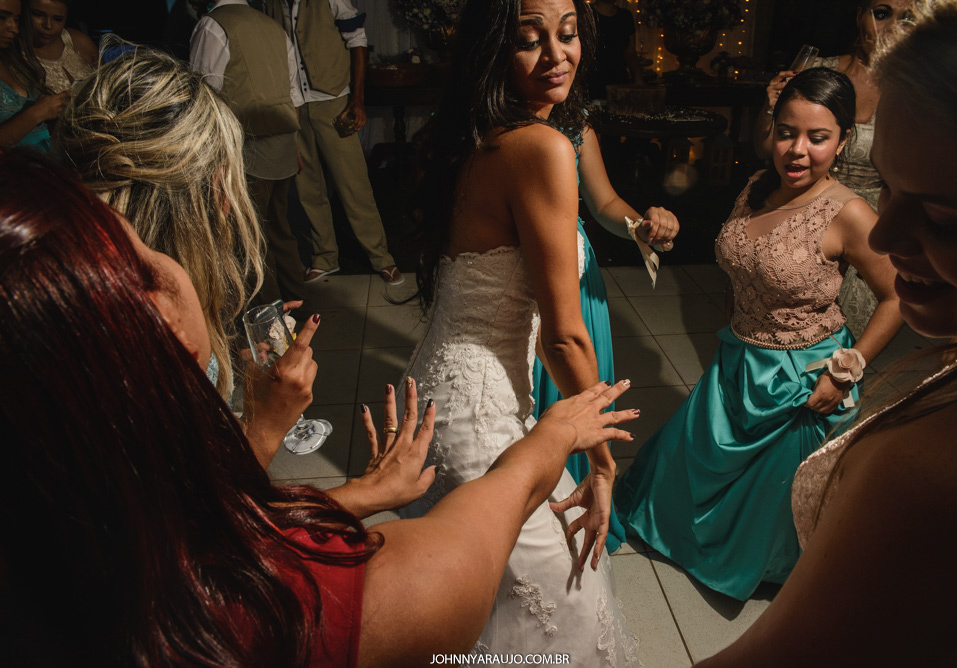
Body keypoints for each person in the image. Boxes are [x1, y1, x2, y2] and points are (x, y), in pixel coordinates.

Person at [0, 148, 639, 666]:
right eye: (141, 267)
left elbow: (216, 524)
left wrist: (347, 489)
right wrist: (547, 441)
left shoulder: (82, 533)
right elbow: (450, 583)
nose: (172, 275)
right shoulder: (257, 607)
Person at [699, 1, 957, 662]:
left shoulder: (943, 461)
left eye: (945, 219)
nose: (886, 235)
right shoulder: (758, 186)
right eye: (889, 187)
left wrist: (848, 364)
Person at [401, 1, 640, 663]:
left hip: (440, 395)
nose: (557, 55)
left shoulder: (481, 133)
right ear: (496, 51)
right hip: (474, 414)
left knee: (487, 600)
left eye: (568, 35)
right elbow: (562, 337)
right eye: (531, 40)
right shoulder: (541, 147)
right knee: (563, 596)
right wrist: (602, 462)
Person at [616, 67, 903, 601]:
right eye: (787, 132)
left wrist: (846, 371)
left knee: (768, 503)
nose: (798, 151)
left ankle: (757, 569)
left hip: (800, 379)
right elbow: (742, 263)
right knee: (691, 468)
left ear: (843, 141)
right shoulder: (755, 186)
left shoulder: (850, 214)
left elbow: (898, 296)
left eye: (818, 137)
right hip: (738, 359)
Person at [53, 46, 311, 467]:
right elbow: (195, 500)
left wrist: (237, 367)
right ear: (211, 190)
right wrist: (267, 424)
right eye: (230, 177)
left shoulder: (65, 275)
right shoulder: (158, 316)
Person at [531, 120, 679, 554]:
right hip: (518, 269)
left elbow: (605, 203)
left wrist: (638, 225)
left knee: (575, 388)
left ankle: (580, 501)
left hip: (574, 274)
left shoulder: (577, 127)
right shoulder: (490, 121)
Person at [755, 0, 914, 337]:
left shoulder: (916, 88)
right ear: (860, 15)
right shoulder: (816, 70)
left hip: (870, 223)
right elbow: (766, 149)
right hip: (802, 209)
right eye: (882, 13)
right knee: (779, 323)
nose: (891, 28)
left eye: (907, 18)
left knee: (852, 331)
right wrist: (770, 110)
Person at [261, 0, 402, 286]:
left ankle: (381, 257)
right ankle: (325, 257)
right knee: (307, 187)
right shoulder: (269, 4)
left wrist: (357, 99)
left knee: (354, 185)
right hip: (294, 105)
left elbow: (357, 39)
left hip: (334, 101)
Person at [189, 0, 308, 305]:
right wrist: (293, 145)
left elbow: (203, 97)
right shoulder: (273, 26)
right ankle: (298, 304)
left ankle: (271, 320)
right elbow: (293, 95)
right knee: (279, 229)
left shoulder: (214, 25)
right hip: (282, 144)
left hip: (245, 149)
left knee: (249, 239)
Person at [0, 0, 65, 149]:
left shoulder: (12, 59)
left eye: (16, 20)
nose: (14, 28)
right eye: (2, 17)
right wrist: (38, 112)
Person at [27, 0, 97, 93]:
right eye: (38, 15)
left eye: (57, 19)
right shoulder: (14, 55)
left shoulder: (78, 42)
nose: (48, 25)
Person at [587, 0, 643, 99]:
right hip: (591, 83)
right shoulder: (587, 13)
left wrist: (639, 82)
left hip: (619, 83)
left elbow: (630, 53)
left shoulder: (625, 16)